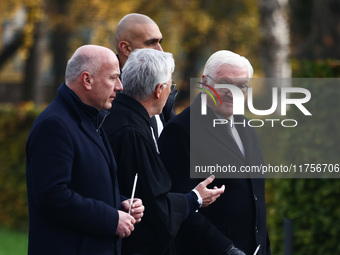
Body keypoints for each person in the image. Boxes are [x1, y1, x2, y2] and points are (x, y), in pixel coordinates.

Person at [103, 48, 226, 255]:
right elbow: (154, 207)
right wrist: (195, 198)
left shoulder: (115, 116)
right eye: (171, 85)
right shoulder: (133, 133)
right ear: (159, 90)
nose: (171, 91)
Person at [26, 45, 144, 255]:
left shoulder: (90, 118)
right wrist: (111, 219)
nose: (120, 86)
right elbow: (52, 196)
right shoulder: (55, 124)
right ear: (87, 80)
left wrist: (120, 202)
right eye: (113, 78)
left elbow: (85, 186)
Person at [158, 50, 272, 255]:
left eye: (241, 86)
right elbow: (178, 205)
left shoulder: (246, 126)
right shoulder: (181, 130)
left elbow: (255, 198)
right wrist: (226, 249)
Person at [114, 13, 176, 137]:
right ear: (126, 48)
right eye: (151, 43)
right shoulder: (107, 94)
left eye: (160, 42)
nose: (160, 50)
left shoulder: (163, 85)